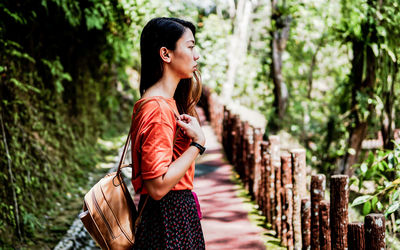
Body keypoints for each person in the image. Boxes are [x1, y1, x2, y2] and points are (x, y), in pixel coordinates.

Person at [131, 17, 206, 249]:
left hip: (172, 218)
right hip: (169, 221)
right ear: (166, 54)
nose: (197, 55)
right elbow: (157, 187)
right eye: (190, 46)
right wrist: (197, 145)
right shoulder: (158, 109)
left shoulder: (166, 104)